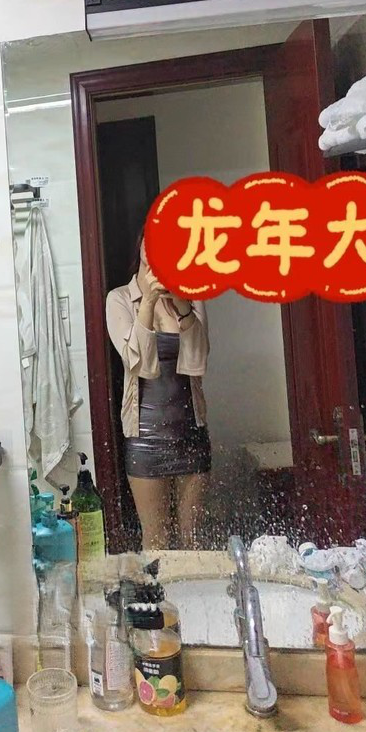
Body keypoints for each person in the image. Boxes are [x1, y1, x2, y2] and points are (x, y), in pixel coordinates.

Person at [106, 236, 211, 550]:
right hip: (145, 437)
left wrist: (183, 306)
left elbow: (199, 360)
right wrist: (149, 301)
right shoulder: (120, 299)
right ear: (140, 246)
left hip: (191, 432)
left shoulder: (192, 296)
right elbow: (137, 363)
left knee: (195, 540)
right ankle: (160, 587)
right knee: (156, 540)